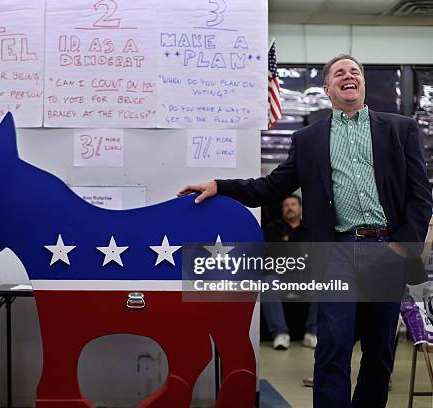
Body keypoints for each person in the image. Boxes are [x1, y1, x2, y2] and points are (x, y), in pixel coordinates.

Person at [179, 54, 432, 407]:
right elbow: (270, 187)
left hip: (385, 250)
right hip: (336, 253)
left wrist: (403, 248)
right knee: (332, 346)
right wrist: (221, 186)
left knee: (378, 353)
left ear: (361, 84)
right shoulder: (308, 139)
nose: (349, 76)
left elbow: (421, 196)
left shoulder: (400, 129)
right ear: (327, 88)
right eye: (340, 73)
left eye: (355, 71)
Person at [262, 194, 317, 350]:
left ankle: (312, 333)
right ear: (282, 209)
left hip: (306, 277)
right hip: (279, 276)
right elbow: (273, 256)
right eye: (286, 205)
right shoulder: (272, 229)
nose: (290, 207)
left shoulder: (310, 230)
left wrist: (287, 244)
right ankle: (280, 333)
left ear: (300, 208)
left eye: (293, 204)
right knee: (268, 284)